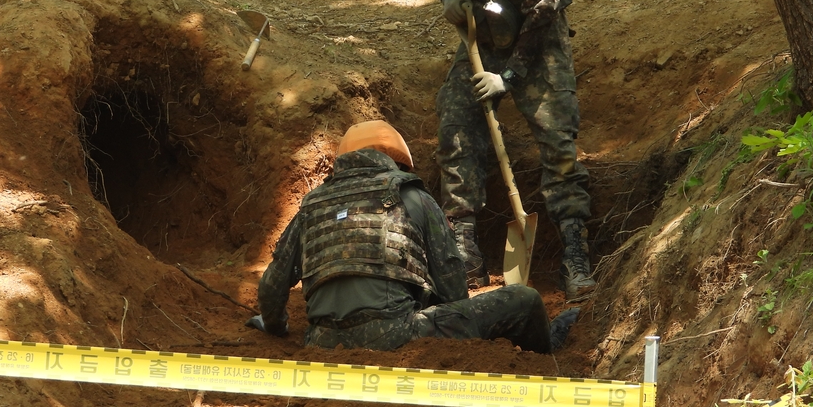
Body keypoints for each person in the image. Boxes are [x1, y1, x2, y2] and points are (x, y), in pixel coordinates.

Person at [411, 0, 595, 301]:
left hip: (536, 35)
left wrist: (508, 77)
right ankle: (462, 247)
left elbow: (544, 8)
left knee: (557, 138)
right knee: (455, 124)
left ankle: (574, 249)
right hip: (483, 32)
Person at [246, 120, 579, 352]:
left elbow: (273, 286)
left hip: (321, 343)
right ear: (397, 163)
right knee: (525, 299)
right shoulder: (414, 196)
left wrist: (274, 326)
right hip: (398, 335)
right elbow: (452, 288)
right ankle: (551, 345)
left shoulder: (311, 204)